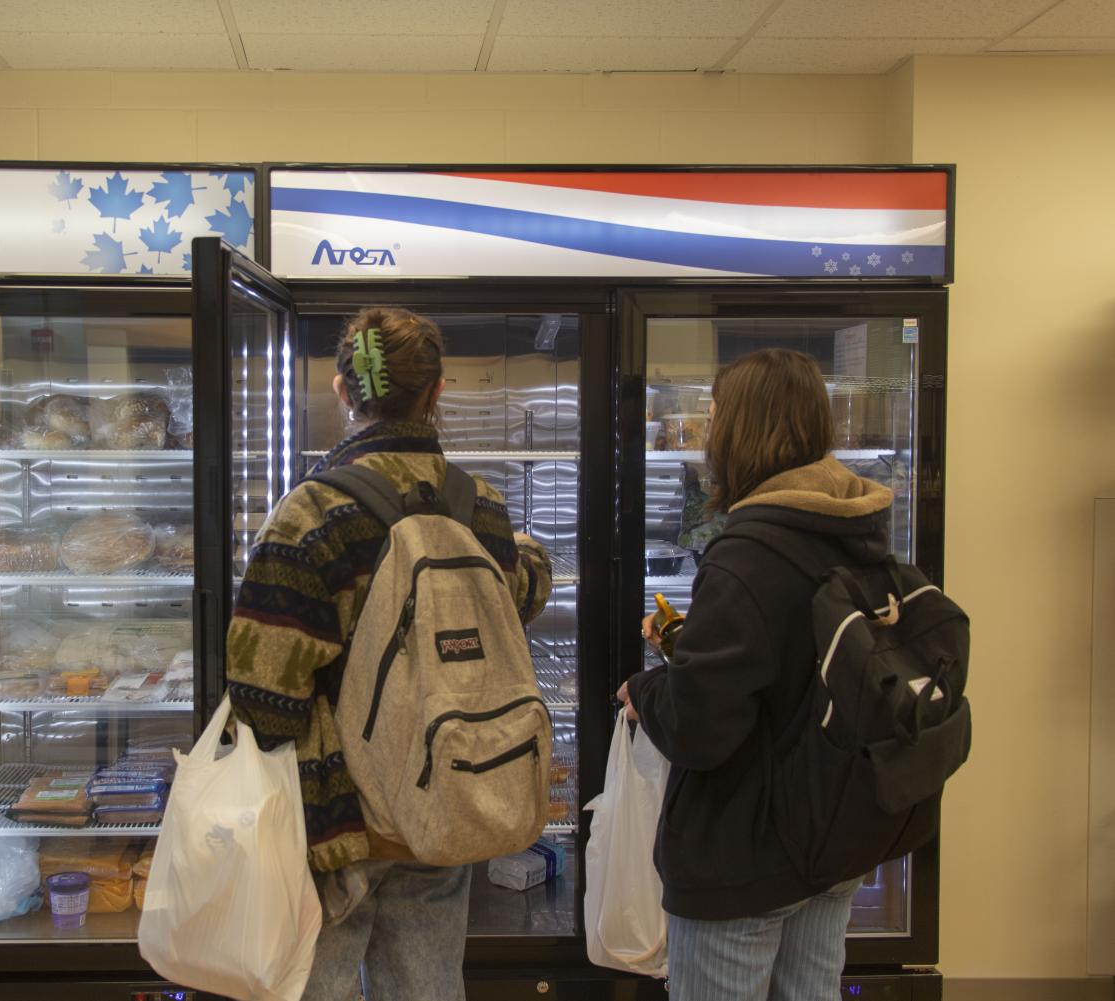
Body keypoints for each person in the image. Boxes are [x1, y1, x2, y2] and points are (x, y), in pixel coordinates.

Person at [226, 307, 552, 1001]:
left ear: (346, 394)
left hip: (339, 817)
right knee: (427, 985)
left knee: (321, 984)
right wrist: (529, 551)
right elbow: (520, 598)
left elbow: (262, 689)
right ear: (436, 391)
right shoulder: (481, 506)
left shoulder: (309, 513)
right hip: (447, 795)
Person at [618, 348, 894, 1001]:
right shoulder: (856, 532)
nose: (707, 434)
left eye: (713, 417)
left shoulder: (747, 552)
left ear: (743, 428)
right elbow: (791, 665)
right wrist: (693, 643)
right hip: (829, 838)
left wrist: (647, 690)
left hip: (745, 853)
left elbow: (700, 728)